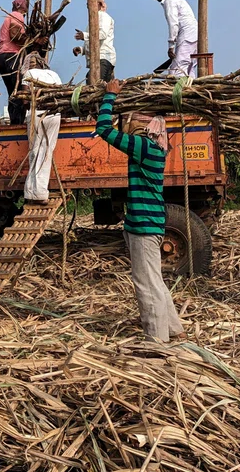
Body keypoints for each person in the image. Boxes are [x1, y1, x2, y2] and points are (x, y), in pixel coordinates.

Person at [96, 79, 184, 342]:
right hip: (146, 224)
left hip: (145, 226)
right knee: (154, 279)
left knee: (146, 284)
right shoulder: (155, 149)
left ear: (147, 128)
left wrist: (110, 97)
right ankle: (174, 329)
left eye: (134, 122)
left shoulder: (144, 147)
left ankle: (156, 340)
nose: (130, 126)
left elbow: (103, 129)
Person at [20, 53, 62, 205]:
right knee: (46, 151)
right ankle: (33, 191)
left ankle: (37, 193)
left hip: (36, 113)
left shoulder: (29, 74)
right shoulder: (54, 75)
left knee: (35, 151)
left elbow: (25, 99)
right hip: (54, 114)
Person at [149, 0, 198, 79]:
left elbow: (173, 24)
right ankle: (190, 87)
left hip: (187, 34)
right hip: (191, 34)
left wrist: (171, 45)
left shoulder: (170, 0)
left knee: (177, 68)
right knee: (188, 66)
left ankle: (180, 91)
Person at [0, 0, 30, 125]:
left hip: (1, 56)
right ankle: (17, 123)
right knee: (19, 89)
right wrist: (32, 40)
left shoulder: (8, 17)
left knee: (12, 91)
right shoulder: (17, 16)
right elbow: (15, 35)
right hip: (10, 55)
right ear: (22, 7)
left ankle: (15, 121)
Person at [73, 0, 116, 82]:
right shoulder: (94, 19)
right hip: (98, 59)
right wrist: (82, 50)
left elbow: (102, 34)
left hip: (103, 58)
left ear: (99, 4)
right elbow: (94, 43)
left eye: (91, 2)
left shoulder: (103, 16)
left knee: (93, 82)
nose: (88, 5)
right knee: (93, 81)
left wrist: (84, 35)